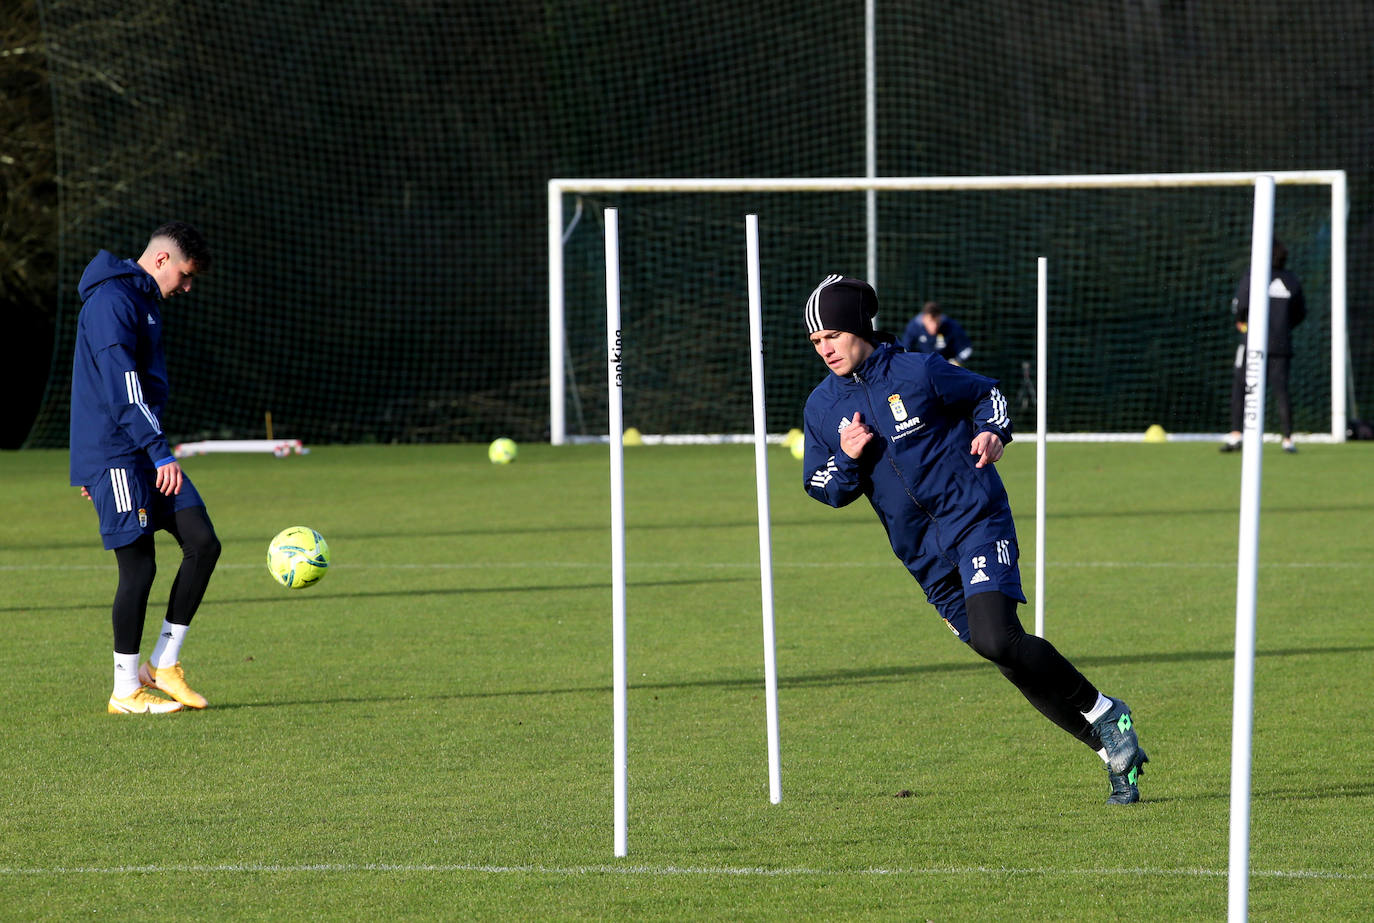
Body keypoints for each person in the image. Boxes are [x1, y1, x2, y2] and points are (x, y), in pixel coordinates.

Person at [801, 274, 1148, 804]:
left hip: (975, 518)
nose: (824, 349)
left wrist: (992, 431)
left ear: (856, 328)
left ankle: (1106, 712)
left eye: (831, 335)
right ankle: (1111, 753)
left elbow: (986, 392)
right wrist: (847, 457)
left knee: (996, 637)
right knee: (1006, 659)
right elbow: (820, 486)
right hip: (921, 554)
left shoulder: (918, 369)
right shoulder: (821, 408)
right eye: (815, 341)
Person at [70, 221, 222, 714]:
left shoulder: (142, 300)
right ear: (161, 261)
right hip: (120, 453)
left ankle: (164, 664)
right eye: (185, 274)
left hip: (140, 448)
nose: (188, 286)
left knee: (202, 541)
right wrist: (155, 452)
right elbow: (120, 385)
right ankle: (124, 690)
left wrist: (153, 448)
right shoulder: (112, 301)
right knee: (139, 567)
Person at [1220, 239, 1306, 453]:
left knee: (1241, 386)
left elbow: (1241, 303)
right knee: (1281, 390)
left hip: (1253, 342)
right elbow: (1300, 313)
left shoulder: (1254, 275)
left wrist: (1242, 321)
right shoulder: (1291, 280)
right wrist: (1283, 327)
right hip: (1281, 343)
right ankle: (1287, 440)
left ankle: (1236, 436)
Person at [901, 300, 973, 366]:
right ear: (924, 319)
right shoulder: (914, 326)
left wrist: (956, 362)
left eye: (937, 322)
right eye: (930, 321)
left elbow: (966, 348)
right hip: (922, 368)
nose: (934, 326)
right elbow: (905, 350)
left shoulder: (951, 326)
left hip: (947, 369)